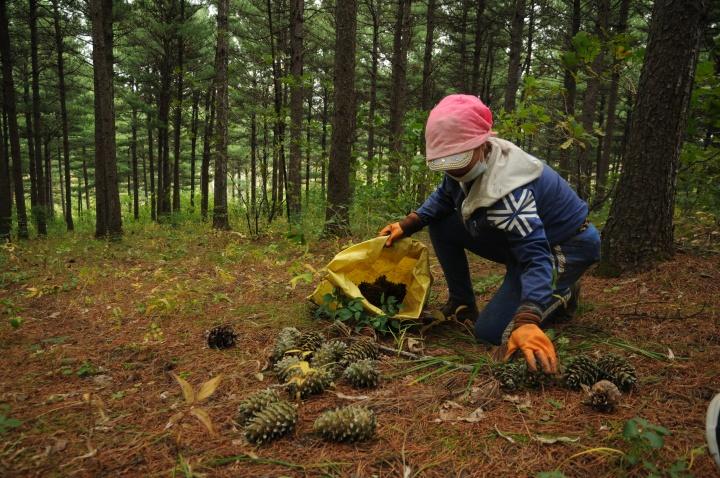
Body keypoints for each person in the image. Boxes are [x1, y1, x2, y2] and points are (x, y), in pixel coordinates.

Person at [380, 94, 601, 374]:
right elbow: (445, 196)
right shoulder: (467, 162)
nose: (451, 167)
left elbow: (535, 258)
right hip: (524, 241)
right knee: (442, 222)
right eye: (442, 161)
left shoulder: (509, 194)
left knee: (491, 332)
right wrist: (409, 223)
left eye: (457, 158)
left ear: (482, 143)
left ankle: (563, 292)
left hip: (563, 247)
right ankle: (462, 302)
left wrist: (527, 320)